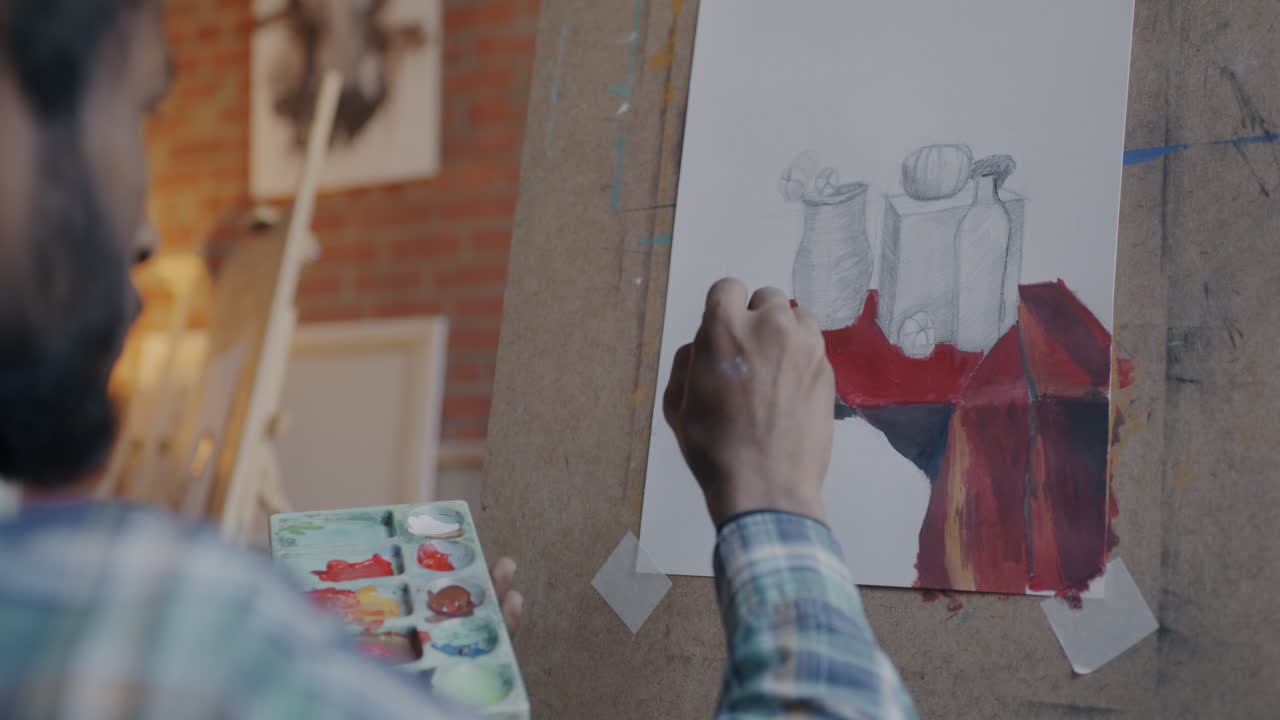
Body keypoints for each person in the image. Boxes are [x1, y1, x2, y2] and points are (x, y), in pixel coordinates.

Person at [0, 1, 916, 718]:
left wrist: (333, 687)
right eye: (134, 112)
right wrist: (777, 501)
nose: (149, 230)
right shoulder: (165, 624)